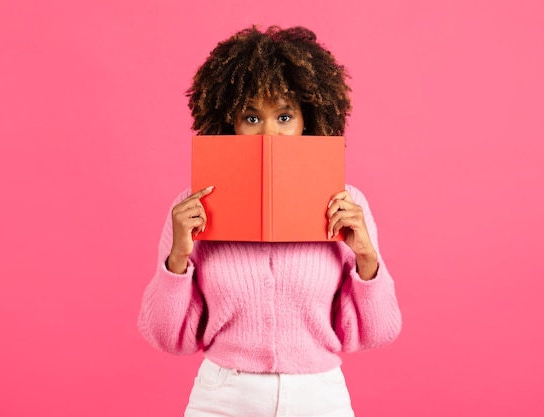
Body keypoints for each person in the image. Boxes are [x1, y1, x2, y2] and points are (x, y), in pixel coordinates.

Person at [138, 25, 402, 417]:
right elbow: (166, 339)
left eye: (283, 116)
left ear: (306, 121)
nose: (268, 134)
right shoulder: (191, 208)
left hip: (318, 396)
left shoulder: (346, 203)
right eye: (250, 117)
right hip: (222, 397)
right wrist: (178, 257)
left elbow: (378, 332)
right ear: (229, 123)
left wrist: (366, 256)